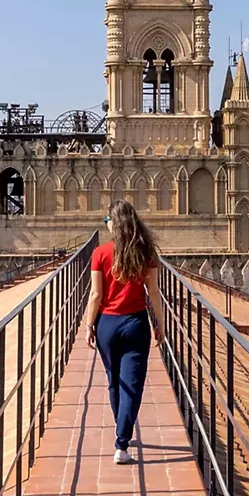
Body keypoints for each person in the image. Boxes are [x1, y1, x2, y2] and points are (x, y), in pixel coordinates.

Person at [84, 199, 161, 464]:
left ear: (112, 225)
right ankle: (122, 443)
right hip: (136, 324)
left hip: (107, 324)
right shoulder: (146, 252)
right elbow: (154, 294)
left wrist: (88, 326)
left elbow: (95, 295)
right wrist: (159, 325)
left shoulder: (100, 253)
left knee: (115, 381)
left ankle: (122, 429)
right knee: (133, 384)